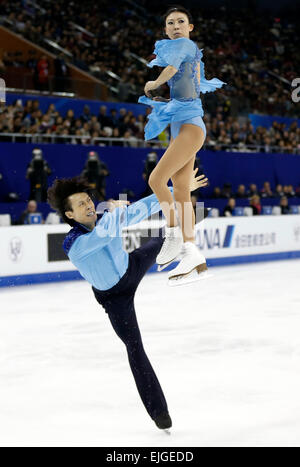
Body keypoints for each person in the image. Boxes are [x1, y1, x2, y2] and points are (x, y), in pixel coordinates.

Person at [47, 171, 208, 430]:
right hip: (114, 298)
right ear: (70, 215)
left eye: (89, 200)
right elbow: (102, 237)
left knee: (165, 237)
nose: (89, 205)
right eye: (81, 205)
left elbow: (141, 209)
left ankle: (188, 220)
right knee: (135, 348)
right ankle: (159, 412)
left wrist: (177, 188)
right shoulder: (74, 244)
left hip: (130, 266)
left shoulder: (106, 218)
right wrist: (114, 212)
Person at [138, 6, 225, 285]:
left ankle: (173, 232)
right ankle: (192, 253)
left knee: (156, 179)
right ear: (165, 29)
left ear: (190, 27)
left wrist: (154, 81)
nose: (175, 26)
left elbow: (172, 69)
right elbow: (185, 88)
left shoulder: (184, 45)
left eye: (181, 22)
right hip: (183, 126)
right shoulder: (184, 49)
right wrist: (166, 101)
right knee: (183, 191)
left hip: (190, 127)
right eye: (170, 23)